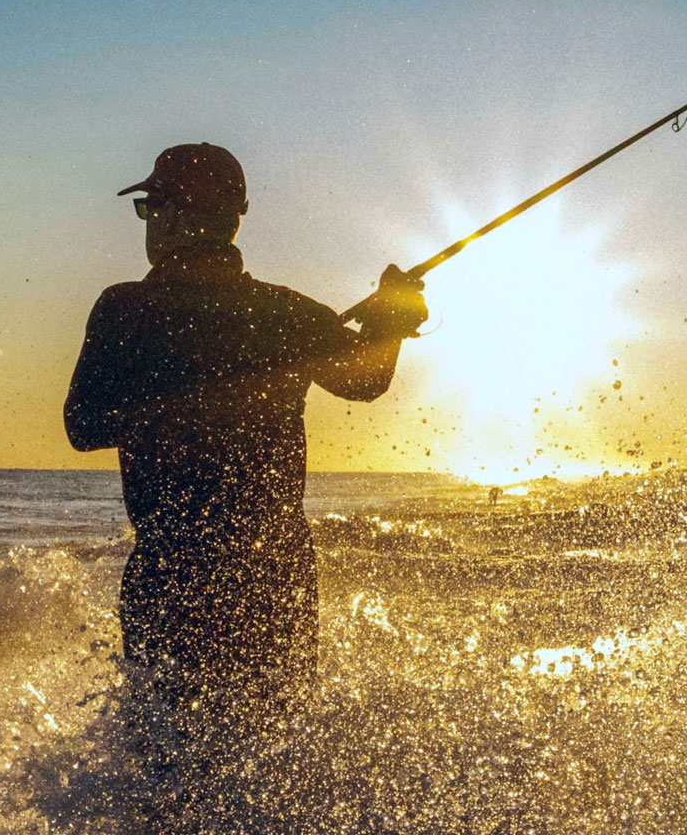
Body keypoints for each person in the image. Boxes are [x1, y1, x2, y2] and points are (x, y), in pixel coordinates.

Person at [63, 143, 425, 811]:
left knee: (163, 775)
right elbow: (366, 380)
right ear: (236, 216)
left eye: (149, 206)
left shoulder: (122, 310)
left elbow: (82, 425)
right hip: (275, 575)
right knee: (274, 764)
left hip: (169, 571)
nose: (147, 222)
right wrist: (392, 320)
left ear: (174, 218)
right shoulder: (286, 312)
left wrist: (165, 397)